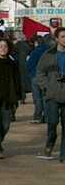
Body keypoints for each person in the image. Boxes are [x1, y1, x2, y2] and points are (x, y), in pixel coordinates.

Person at [35, 26, 65, 161]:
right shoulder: (48, 55)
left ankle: (63, 154)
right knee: (52, 123)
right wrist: (46, 87)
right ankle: (50, 144)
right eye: (63, 37)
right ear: (57, 39)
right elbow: (40, 72)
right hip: (52, 94)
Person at [28, 34, 51, 123]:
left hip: (35, 76)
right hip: (47, 77)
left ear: (36, 43)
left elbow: (29, 64)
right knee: (46, 98)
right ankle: (47, 117)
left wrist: (31, 74)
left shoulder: (35, 52)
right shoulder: (50, 51)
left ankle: (38, 116)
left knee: (37, 98)